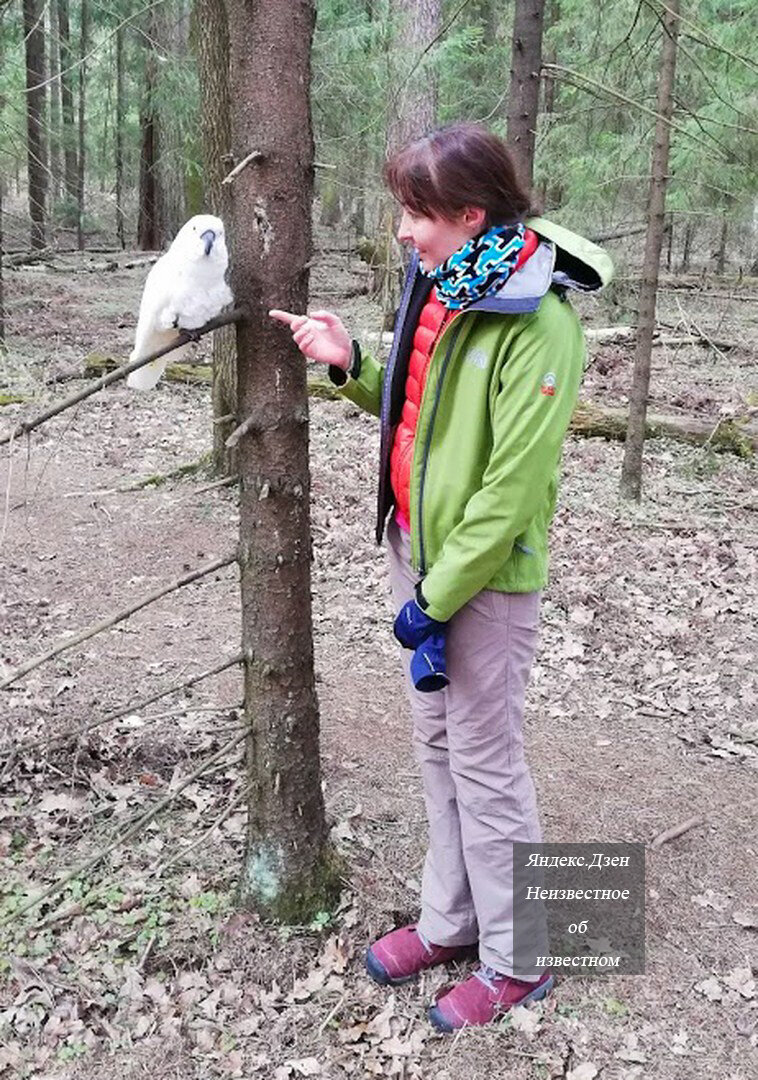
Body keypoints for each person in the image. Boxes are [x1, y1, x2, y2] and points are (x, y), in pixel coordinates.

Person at [270, 123, 613, 1032]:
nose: (402, 230)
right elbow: (420, 411)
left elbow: (510, 492)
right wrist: (352, 369)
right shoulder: (445, 284)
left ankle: (522, 957)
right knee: (436, 746)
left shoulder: (540, 324)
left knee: (488, 763)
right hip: (416, 555)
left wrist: (435, 599)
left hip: (482, 582)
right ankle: (452, 921)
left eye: (417, 213)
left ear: (471, 214)